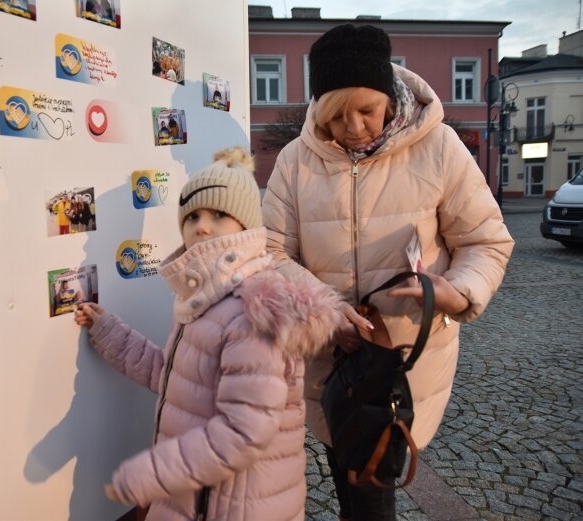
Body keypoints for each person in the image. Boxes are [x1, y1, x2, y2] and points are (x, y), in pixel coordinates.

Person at [261, 24, 514, 520]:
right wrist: (324, 308)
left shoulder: (439, 148)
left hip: (405, 364)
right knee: (351, 477)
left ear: (389, 98)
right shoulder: (295, 160)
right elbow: (270, 253)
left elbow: (486, 241)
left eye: (366, 111)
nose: (353, 128)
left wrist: (458, 293)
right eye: (336, 116)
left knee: (370, 490)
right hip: (330, 359)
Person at [74, 148, 345, 520]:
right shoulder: (205, 299)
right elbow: (177, 380)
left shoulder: (251, 312)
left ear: (246, 227)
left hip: (230, 505)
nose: (201, 226)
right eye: (193, 216)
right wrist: (108, 332)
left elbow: (245, 430)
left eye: (219, 215)